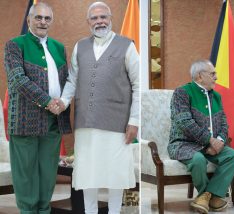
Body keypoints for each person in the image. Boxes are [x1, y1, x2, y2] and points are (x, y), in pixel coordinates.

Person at [57, 2, 139, 214]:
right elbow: (72, 80)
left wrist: (135, 121)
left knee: (116, 174)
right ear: (88, 22)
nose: (100, 21)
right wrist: (64, 102)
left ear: (110, 19)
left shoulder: (126, 45)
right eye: (94, 18)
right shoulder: (80, 46)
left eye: (104, 17)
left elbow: (139, 85)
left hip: (118, 123)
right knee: (88, 174)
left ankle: (114, 212)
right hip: (86, 122)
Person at [3, 2, 72, 213]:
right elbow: (17, 80)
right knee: (25, 174)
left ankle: (44, 210)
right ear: (29, 20)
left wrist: (63, 102)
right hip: (25, 120)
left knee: (48, 173)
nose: (43, 21)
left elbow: (66, 80)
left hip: (54, 120)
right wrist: (48, 101)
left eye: (47, 18)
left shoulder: (59, 47)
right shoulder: (15, 44)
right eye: (38, 17)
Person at [168, 60, 234, 214]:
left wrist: (220, 141)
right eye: (212, 73)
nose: (216, 77)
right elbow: (184, 122)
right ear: (200, 76)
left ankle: (208, 197)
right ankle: (208, 196)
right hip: (184, 144)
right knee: (198, 160)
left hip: (212, 144)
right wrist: (210, 141)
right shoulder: (182, 92)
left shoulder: (217, 97)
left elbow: (223, 123)